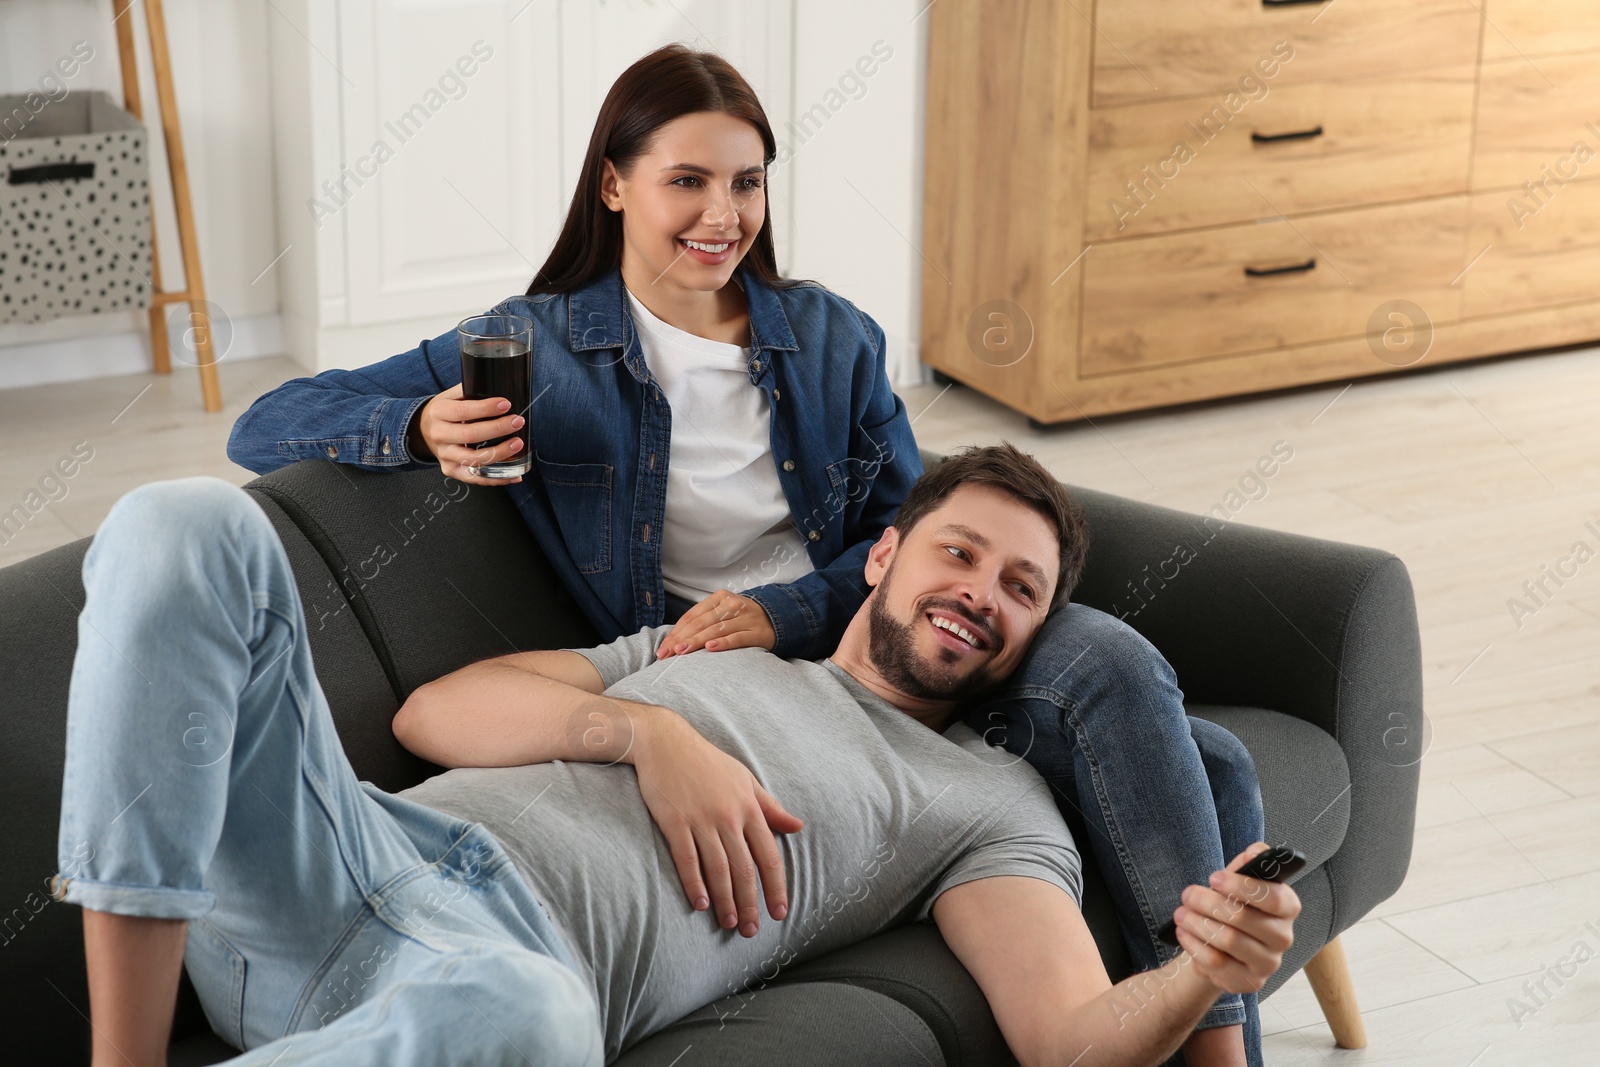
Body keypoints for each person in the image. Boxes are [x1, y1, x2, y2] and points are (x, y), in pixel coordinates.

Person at [225, 43, 1266, 1063]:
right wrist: (415, 429)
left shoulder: (827, 339)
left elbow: (896, 534)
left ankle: (1218, 1025)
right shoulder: (540, 343)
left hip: (841, 629)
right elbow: (270, 421)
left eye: (746, 182)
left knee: (1147, 705)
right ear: (614, 186)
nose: (722, 216)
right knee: (1203, 762)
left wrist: (790, 612)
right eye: (687, 180)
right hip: (712, 661)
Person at [54, 444, 1296, 1067]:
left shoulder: (986, 802)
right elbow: (438, 713)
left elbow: (1068, 1038)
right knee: (184, 519)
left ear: (1034, 633)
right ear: (884, 558)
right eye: (958, 552)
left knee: (535, 1016)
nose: (980, 592)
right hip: (341, 854)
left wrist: (1198, 972)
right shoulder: (706, 642)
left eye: (1022, 588)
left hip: (491, 981)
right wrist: (645, 729)